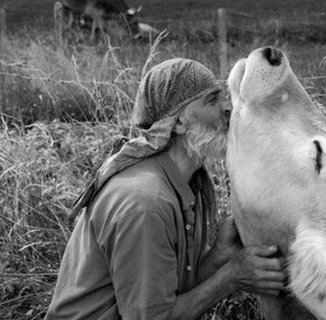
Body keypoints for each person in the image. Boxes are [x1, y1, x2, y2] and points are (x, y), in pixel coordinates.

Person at [45, 58, 286, 320]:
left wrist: (219, 255)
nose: (228, 107)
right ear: (180, 122)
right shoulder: (145, 205)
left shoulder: (180, 181)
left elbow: (165, 291)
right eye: (212, 100)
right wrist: (231, 278)